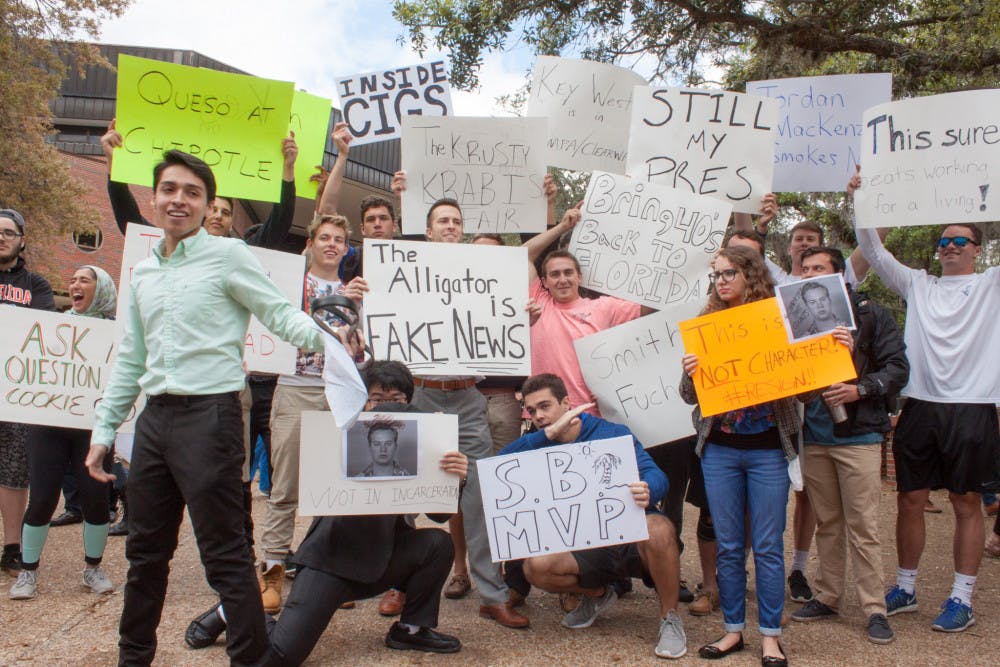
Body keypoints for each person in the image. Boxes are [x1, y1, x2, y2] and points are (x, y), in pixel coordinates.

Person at [84, 149, 326, 666]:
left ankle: (250, 660)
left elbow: (279, 313)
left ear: (205, 204)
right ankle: (133, 658)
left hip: (211, 419)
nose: (179, 200)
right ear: (155, 198)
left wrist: (331, 339)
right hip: (154, 423)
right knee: (144, 556)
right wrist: (104, 430)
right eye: (170, 189)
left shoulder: (229, 256)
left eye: (192, 193)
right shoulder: (146, 273)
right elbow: (131, 356)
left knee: (226, 559)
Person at [186, 360, 466, 663]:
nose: (386, 408)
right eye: (377, 399)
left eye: (396, 400)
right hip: (332, 562)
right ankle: (234, 609)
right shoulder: (339, 436)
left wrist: (455, 478)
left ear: (408, 402)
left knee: (438, 543)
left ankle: (410, 630)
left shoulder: (421, 443)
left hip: (384, 558)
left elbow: (438, 516)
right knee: (279, 657)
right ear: (362, 400)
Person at [850, 167, 1000, 632]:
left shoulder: (992, 285)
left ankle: (962, 598)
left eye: (960, 241)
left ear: (978, 248)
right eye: (943, 241)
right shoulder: (918, 283)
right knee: (910, 499)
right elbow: (872, 250)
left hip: (973, 407)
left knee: (966, 502)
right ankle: (906, 588)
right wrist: (862, 198)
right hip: (919, 405)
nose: (949, 246)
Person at [681, 246, 831, 667]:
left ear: (750, 275)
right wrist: (691, 370)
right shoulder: (707, 324)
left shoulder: (779, 322)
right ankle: (733, 631)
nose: (721, 282)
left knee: (766, 546)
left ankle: (770, 635)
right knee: (728, 546)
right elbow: (689, 396)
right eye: (716, 276)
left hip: (768, 450)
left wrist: (830, 351)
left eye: (729, 273)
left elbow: (805, 391)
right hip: (719, 452)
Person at [390, 171, 528, 628]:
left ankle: (492, 593)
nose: (450, 226)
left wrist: (524, 312)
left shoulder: (486, 274)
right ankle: (394, 583)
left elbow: (509, 317)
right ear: (428, 231)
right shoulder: (404, 272)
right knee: (406, 489)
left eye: (456, 221)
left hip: (468, 399)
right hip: (424, 394)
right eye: (442, 221)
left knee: (479, 493)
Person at [502, 373, 687, 659]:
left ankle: (670, 618)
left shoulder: (613, 433)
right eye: (532, 410)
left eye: (545, 406)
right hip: (585, 545)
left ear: (567, 402)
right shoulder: (537, 442)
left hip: (629, 533)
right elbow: (499, 465)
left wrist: (650, 488)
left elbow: (654, 473)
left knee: (662, 529)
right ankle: (598, 595)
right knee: (535, 567)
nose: (538, 415)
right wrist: (549, 433)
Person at [788, 247, 909, 645]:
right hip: (816, 437)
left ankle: (874, 608)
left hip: (859, 436)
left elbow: (897, 369)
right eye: (805, 271)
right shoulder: (794, 321)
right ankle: (828, 595)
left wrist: (860, 388)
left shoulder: (871, 315)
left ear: (840, 277)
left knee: (863, 525)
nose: (810, 276)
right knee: (829, 522)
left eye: (818, 270)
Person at [257, 214, 367, 614]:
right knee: (285, 487)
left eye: (340, 238)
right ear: (311, 241)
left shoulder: (355, 291)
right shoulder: (289, 284)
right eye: (325, 237)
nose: (332, 244)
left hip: (338, 393)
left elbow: (364, 350)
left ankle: (328, 576)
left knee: (335, 490)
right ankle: (271, 569)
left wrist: (359, 308)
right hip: (295, 389)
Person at [10, 266, 120, 600]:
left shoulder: (117, 333)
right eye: (71, 279)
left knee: (95, 500)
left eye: (84, 280)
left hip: (93, 430)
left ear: (100, 289)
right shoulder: (51, 328)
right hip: (48, 426)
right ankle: (27, 572)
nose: (74, 284)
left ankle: (92, 568)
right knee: (42, 497)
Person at [0, 208, 56, 576]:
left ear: (22, 240)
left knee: (13, 473)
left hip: (15, 392)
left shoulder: (36, 285)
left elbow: (43, 330)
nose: (1, 237)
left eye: (8, 231)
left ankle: (12, 546)